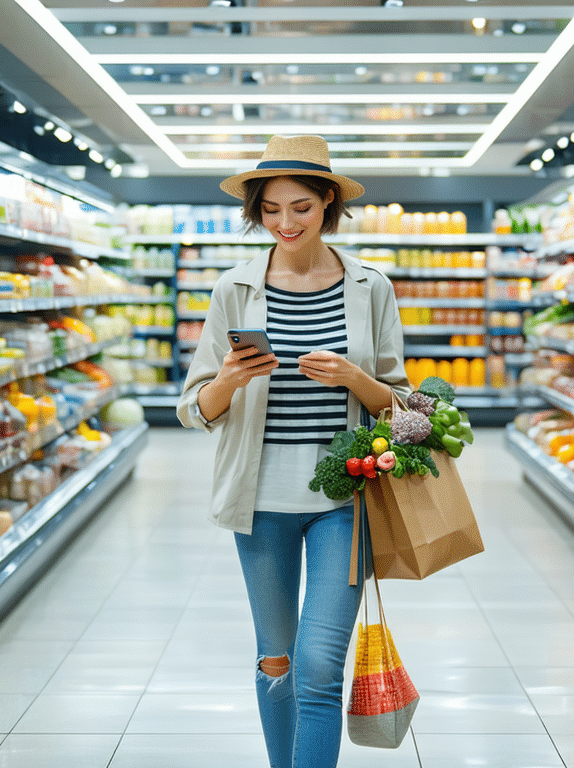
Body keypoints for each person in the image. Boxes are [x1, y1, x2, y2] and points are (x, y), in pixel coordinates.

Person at [176, 134, 409, 768]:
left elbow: (406, 404)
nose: (286, 223)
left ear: (329, 202)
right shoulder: (234, 290)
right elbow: (194, 408)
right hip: (259, 503)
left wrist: (353, 378)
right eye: (272, 209)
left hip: (346, 499)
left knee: (317, 668)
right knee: (276, 658)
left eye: (301, 207)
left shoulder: (369, 287)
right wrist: (231, 378)